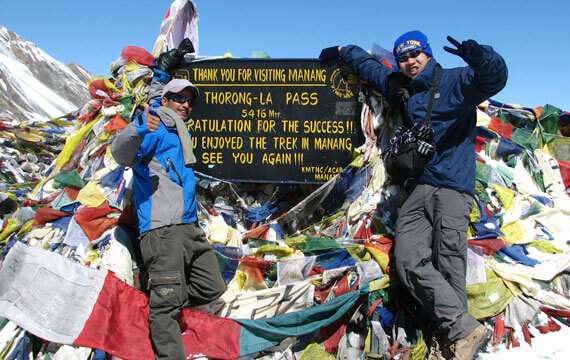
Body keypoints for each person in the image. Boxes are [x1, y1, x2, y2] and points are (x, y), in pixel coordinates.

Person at [320, 31, 507, 359]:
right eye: (403, 57)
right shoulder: (400, 86)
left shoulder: (456, 81)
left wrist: (480, 56)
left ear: (429, 53)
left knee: (449, 263)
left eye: (416, 54)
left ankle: (451, 343)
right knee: (407, 260)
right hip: (418, 187)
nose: (410, 62)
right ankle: (464, 328)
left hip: (452, 187)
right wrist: (343, 49)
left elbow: (494, 79)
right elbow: (371, 69)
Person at [111, 78, 226, 360]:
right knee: (166, 308)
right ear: (165, 101)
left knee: (213, 286)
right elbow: (120, 153)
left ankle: (158, 300)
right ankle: (162, 316)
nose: (185, 105)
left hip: (188, 228)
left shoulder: (179, 132)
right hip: (162, 231)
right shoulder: (154, 125)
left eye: (189, 100)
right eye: (179, 99)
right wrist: (137, 129)